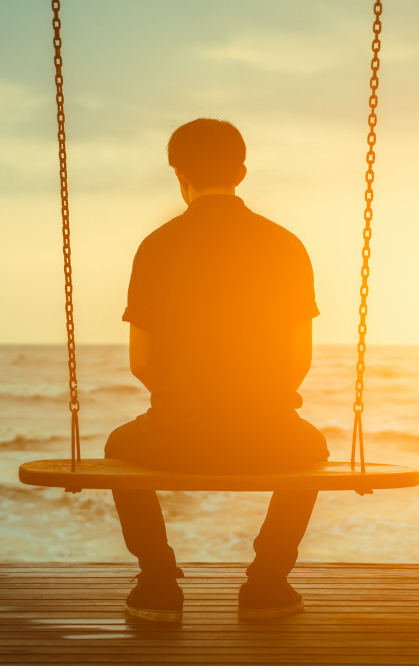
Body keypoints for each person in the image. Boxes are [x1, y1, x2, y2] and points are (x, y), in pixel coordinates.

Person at [105, 118, 329, 623]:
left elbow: (141, 362)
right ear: (242, 172)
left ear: (178, 174)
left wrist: (186, 400)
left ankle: (158, 584)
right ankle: (268, 582)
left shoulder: (156, 247)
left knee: (117, 448)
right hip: (268, 437)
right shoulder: (286, 246)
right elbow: (300, 360)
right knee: (314, 449)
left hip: (176, 435)